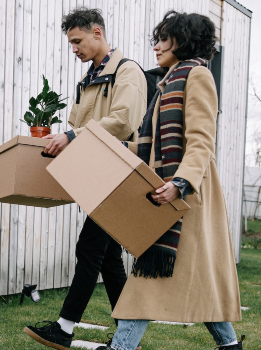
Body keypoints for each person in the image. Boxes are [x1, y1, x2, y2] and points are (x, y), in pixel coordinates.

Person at [96, 10, 244, 350]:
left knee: (147, 280)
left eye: (164, 39)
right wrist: (115, 147)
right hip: (168, 195)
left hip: (185, 198)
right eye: (157, 39)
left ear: (185, 40)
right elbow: (152, 145)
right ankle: (230, 346)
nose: (157, 46)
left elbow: (202, 141)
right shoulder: (167, 82)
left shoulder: (196, 77)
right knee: (198, 280)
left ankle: (121, 347)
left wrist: (181, 183)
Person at [24, 7, 147, 350]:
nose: (74, 48)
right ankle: (127, 336)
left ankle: (64, 328)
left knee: (90, 248)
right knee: (107, 259)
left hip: (123, 173)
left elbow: (123, 121)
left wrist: (73, 136)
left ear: (97, 33)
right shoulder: (87, 81)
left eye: (77, 41)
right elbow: (75, 126)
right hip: (97, 175)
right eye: (70, 43)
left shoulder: (127, 72)